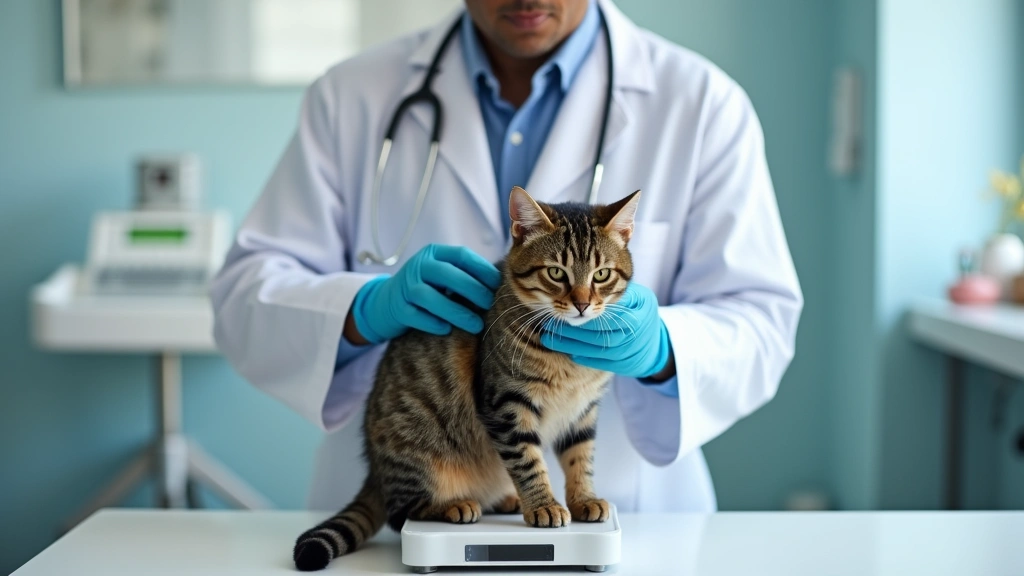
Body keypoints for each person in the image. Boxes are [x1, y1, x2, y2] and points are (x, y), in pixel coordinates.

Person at [210, 0, 803, 514]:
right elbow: (243, 297)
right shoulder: (351, 94)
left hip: (630, 515)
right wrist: (359, 310)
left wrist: (664, 348)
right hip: (421, 505)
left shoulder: (701, 102)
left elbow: (763, 321)